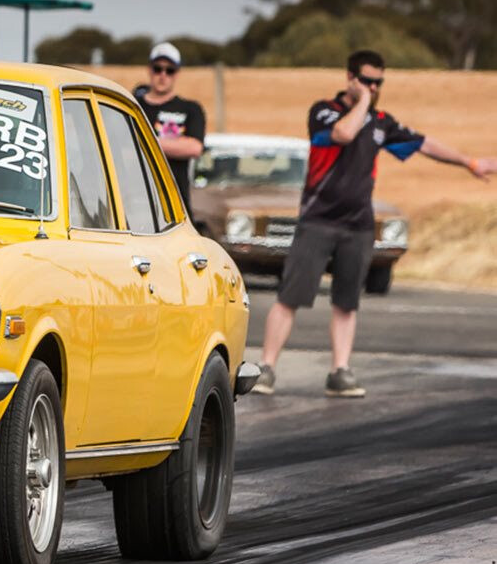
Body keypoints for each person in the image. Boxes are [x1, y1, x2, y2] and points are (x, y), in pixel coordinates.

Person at [255, 49, 494, 398]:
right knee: (291, 295)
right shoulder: (325, 111)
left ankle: (340, 369)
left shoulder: (382, 121)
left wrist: (469, 162)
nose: (374, 87)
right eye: (367, 81)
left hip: (358, 225)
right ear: (350, 78)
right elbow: (343, 135)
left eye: (379, 82)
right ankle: (267, 367)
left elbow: (424, 143)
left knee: (347, 301)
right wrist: (363, 100)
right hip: (318, 220)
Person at [134, 42, 206, 213]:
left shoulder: (190, 109)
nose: (163, 75)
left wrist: (144, 141)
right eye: (157, 68)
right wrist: (173, 145)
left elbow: (194, 147)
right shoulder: (134, 106)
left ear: (177, 73)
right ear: (149, 69)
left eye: (169, 70)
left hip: (174, 204)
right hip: (136, 200)